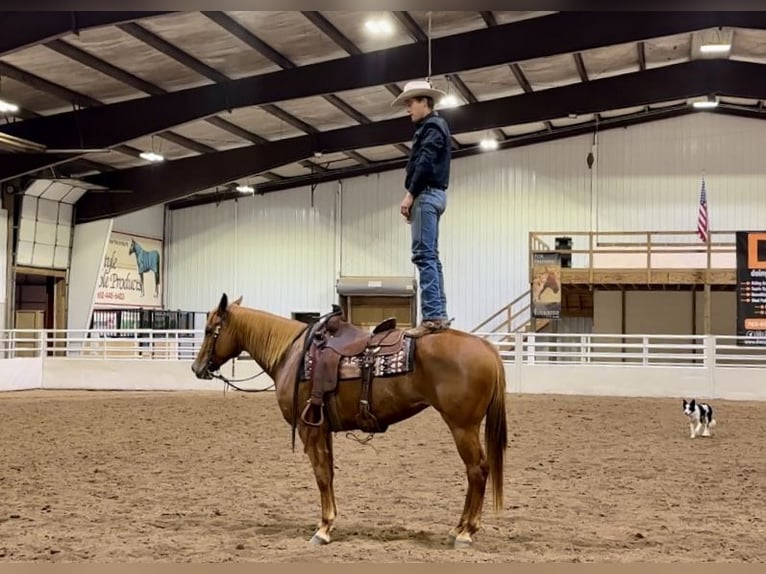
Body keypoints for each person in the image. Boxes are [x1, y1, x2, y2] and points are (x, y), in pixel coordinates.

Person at [390, 79, 452, 338]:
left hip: (426, 195)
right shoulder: (435, 127)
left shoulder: (432, 127)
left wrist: (410, 195)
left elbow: (425, 162)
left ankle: (432, 317)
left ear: (425, 102)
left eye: (411, 102)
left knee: (423, 256)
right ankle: (438, 313)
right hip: (432, 196)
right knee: (431, 256)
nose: (408, 109)